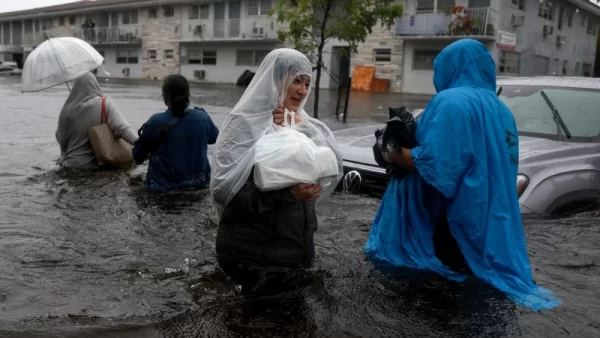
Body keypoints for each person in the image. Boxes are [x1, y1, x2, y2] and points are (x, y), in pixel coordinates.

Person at [365, 38, 561, 310]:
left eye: (439, 68)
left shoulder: (450, 101)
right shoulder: (502, 110)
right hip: (489, 221)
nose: (437, 76)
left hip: (449, 217)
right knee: (478, 293)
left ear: (451, 67)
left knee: (435, 296)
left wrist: (391, 153)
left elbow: (436, 164)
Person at [210, 48, 343, 296]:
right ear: (275, 80)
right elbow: (223, 191)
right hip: (253, 259)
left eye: (307, 83)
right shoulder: (243, 123)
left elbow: (333, 165)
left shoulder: (299, 121)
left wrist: (299, 129)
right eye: (295, 81)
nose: (303, 90)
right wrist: (288, 194)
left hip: (294, 253)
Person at [133, 74, 218, 193]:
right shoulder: (203, 117)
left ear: (165, 96)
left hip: (162, 191)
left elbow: (137, 156)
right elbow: (214, 138)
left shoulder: (155, 122)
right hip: (199, 187)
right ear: (188, 95)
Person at [56, 72, 137, 169]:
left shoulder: (66, 110)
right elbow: (122, 128)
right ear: (95, 84)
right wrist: (142, 144)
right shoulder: (104, 104)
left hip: (70, 166)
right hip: (95, 168)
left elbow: (61, 141)